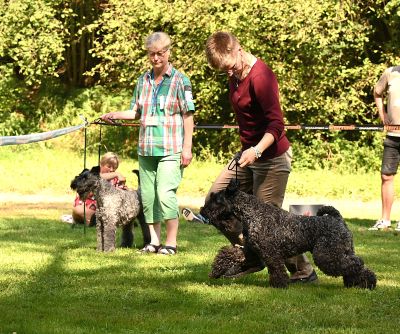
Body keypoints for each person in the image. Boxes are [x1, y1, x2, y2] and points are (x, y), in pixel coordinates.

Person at [198, 31, 317, 282]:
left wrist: (257, 150)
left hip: (271, 157)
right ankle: (254, 254)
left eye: (228, 67)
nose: (227, 74)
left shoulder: (261, 76)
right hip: (247, 155)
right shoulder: (235, 75)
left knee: (268, 224)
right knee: (214, 202)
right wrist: (248, 151)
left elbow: (277, 125)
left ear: (237, 50)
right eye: (223, 71)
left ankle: (303, 270)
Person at [100, 32, 195, 255]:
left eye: (160, 53)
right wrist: (115, 114)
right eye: (151, 54)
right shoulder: (143, 80)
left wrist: (187, 147)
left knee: (165, 193)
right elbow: (135, 112)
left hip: (171, 148)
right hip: (146, 149)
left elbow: (188, 116)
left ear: (168, 52)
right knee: (149, 196)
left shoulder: (181, 80)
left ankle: (171, 243)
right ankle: (154, 241)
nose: (155, 58)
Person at [369, 65, 400, 231]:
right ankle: (385, 220)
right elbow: (377, 93)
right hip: (393, 136)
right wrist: (383, 115)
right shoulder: (390, 73)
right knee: (386, 176)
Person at [70, 152, 127, 226]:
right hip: (89, 208)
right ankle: (98, 221)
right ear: (101, 164)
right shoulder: (91, 173)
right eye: (109, 166)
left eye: (114, 168)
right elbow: (99, 178)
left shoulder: (115, 179)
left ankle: (98, 222)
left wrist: (124, 189)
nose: (111, 170)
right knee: (78, 210)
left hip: (106, 209)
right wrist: (117, 174)